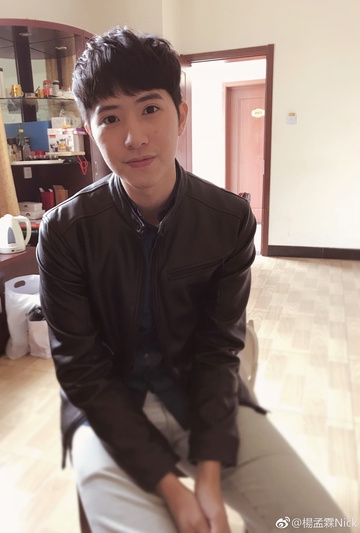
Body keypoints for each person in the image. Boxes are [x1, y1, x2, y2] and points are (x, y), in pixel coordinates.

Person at [37, 27, 347, 533]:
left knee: (320, 523)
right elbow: (81, 369)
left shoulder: (229, 219)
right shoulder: (65, 232)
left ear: (181, 114)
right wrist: (172, 491)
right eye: (111, 118)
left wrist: (208, 475)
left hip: (202, 399)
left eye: (149, 108)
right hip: (108, 410)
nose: (134, 136)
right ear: (91, 130)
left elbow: (219, 349)